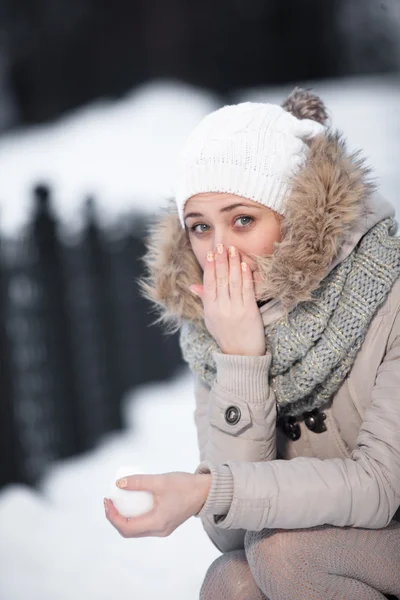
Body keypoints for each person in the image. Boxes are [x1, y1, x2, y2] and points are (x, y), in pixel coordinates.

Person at [103, 88, 400, 600]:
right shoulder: (210, 329)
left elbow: (380, 487)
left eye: (243, 220)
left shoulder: (389, 289)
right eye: (200, 227)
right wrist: (241, 360)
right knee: (231, 580)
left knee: (285, 556)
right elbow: (230, 533)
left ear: (298, 215)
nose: (218, 251)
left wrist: (207, 488)